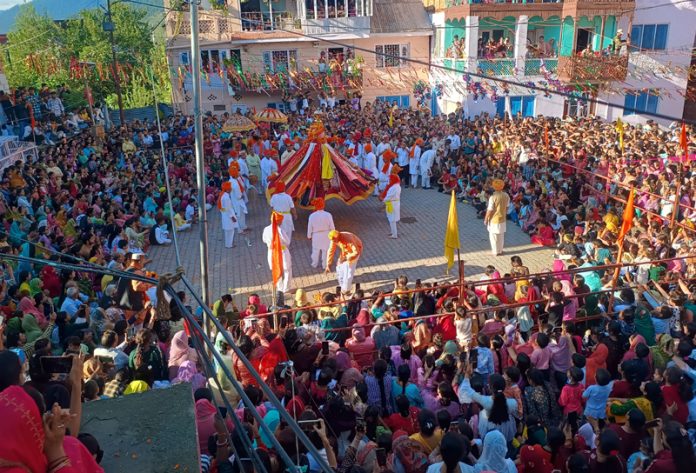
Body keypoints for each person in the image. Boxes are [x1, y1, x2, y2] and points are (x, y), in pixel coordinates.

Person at [325, 230, 363, 295]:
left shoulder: (349, 239)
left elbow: (356, 252)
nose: (333, 242)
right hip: (345, 252)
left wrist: (348, 258)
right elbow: (331, 250)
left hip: (353, 254)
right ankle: (343, 285)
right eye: (333, 241)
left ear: (338, 237)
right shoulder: (334, 239)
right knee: (339, 267)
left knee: (349, 272)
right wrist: (328, 264)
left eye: (335, 241)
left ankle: (346, 290)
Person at [262, 213, 292, 293]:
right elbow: (287, 241)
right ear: (278, 222)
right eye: (281, 220)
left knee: (275, 269)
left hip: (271, 252)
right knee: (287, 269)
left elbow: (264, 240)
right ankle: (286, 288)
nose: (282, 222)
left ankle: (280, 288)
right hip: (282, 252)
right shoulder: (280, 230)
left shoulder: (266, 229)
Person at [306, 197, 335, 269]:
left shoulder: (312, 216)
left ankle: (314, 264)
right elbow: (332, 227)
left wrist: (309, 235)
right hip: (326, 235)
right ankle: (324, 265)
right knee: (326, 250)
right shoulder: (328, 215)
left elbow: (309, 227)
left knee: (315, 250)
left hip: (316, 235)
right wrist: (333, 235)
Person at [484, 178, 510, 256]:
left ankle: (495, 252)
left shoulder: (492, 197)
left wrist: (486, 219)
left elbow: (490, 209)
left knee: (493, 237)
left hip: (494, 219)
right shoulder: (506, 195)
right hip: (502, 218)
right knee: (501, 236)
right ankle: (500, 250)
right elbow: (507, 206)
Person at [218, 181, 238, 249]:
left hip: (225, 215)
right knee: (230, 231)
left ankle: (228, 243)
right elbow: (228, 209)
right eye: (230, 188)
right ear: (227, 189)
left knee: (228, 231)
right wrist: (232, 217)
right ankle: (229, 244)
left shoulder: (223, 194)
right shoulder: (226, 197)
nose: (231, 189)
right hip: (228, 216)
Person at [381, 174, 402, 239]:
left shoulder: (393, 188)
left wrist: (383, 200)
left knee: (391, 219)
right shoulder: (398, 186)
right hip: (395, 203)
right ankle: (393, 232)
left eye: (390, 179)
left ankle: (394, 234)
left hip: (392, 204)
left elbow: (389, 196)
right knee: (392, 219)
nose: (389, 181)